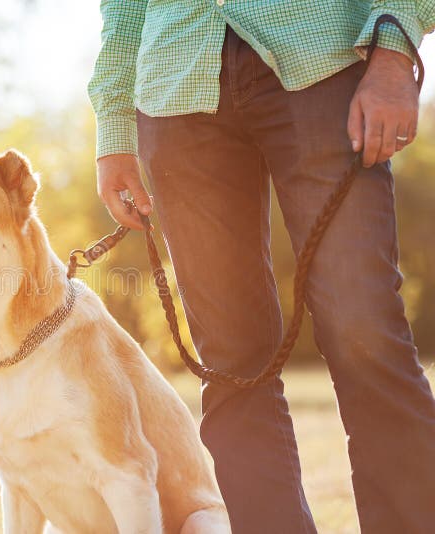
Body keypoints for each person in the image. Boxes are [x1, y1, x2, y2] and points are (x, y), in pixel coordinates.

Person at [88, 2, 435, 533]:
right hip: (175, 90)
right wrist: (113, 124)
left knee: (364, 332)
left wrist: (394, 49)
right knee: (231, 363)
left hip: (320, 61)